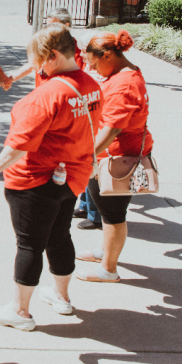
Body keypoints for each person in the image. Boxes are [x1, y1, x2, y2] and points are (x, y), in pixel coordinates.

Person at [0, 24, 103, 331]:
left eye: (38, 60)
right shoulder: (91, 85)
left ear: (52, 55)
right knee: (60, 236)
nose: (36, 67)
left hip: (35, 181)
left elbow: (17, 148)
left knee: (29, 245)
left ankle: (20, 312)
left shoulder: (46, 95)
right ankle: (61, 296)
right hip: (73, 176)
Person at [6, 8, 103, 230]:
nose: (47, 28)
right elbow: (34, 65)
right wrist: (12, 77)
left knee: (35, 238)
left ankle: (93, 211)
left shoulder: (72, 55)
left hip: (62, 112)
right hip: (52, 109)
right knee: (61, 229)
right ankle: (84, 205)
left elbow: (18, 146)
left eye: (52, 25)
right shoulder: (51, 53)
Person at [75, 30, 153, 283]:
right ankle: (106, 252)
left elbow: (112, 128)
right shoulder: (124, 75)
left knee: (113, 214)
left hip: (116, 159)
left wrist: (86, 156)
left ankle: (108, 269)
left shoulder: (124, 84)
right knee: (107, 210)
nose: (94, 69)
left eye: (95, 63)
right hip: (113, 155)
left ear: (107, 55)